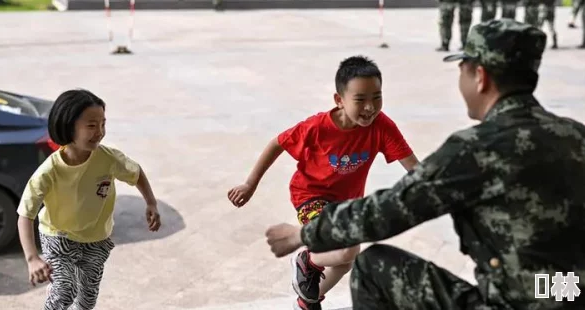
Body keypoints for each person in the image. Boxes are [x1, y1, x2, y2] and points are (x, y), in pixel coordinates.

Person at [265, 18, 585, 309]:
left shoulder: (474, 149)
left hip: (515, 302)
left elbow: (386, 212)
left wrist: (301, 235)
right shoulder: (577, 134)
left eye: (462, 68)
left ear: (480, 77)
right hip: (568, 292)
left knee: (373, 265)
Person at [228, 56, 419, 310]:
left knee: (344, 261)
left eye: (377, 97)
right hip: (310, 196)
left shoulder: (382, 126)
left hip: (346, 204)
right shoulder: (318, 127)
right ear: (339, 100)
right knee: (349, 250)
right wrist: (249, 184)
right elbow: (277, 143)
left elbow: (416, 169)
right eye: (360, 99)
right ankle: (307, 261)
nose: (370, 107)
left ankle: (308, 299)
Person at [17, 89, 162, 310]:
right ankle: (57, 291)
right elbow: (25, 215)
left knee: (86, 301)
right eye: (92, 126)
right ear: (68, 127)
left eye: (103, 124)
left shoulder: (108, 159)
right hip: (58, 236)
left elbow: (136, 172)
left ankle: (63, 290)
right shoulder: (50, 171)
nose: (100, 132)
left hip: (96, 237)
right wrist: (32, 259)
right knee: (65, 292)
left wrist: (151, 202)